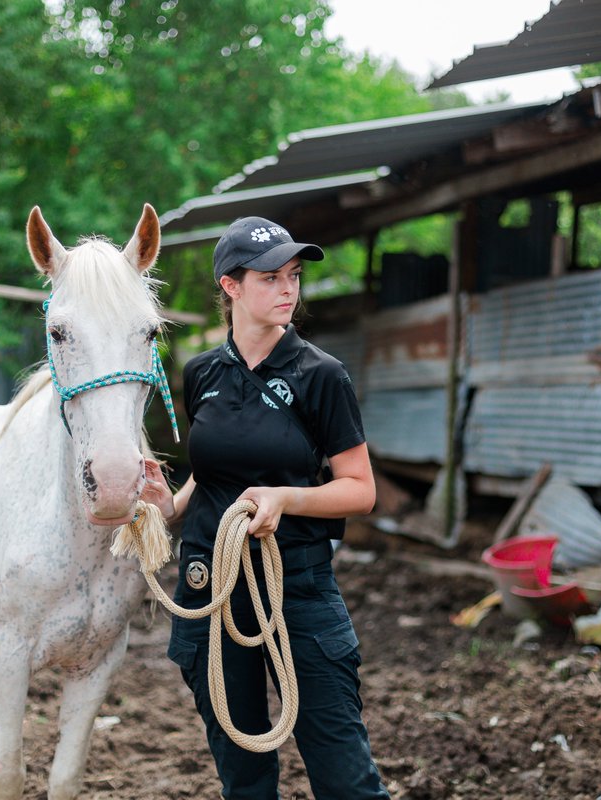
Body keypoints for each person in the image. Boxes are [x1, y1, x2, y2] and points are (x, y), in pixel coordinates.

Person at [140, 216, 390, 799]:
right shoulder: (201, 372)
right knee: (244, 779)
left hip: (295, 585)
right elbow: (213, 472)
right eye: (271, 277)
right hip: (210, 584)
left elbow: (360, 489)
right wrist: (167, 504)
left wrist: (286, 498)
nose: (288, 289)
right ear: (230, 286)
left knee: (346, 778)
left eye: (294, 276)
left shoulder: (321, 375)